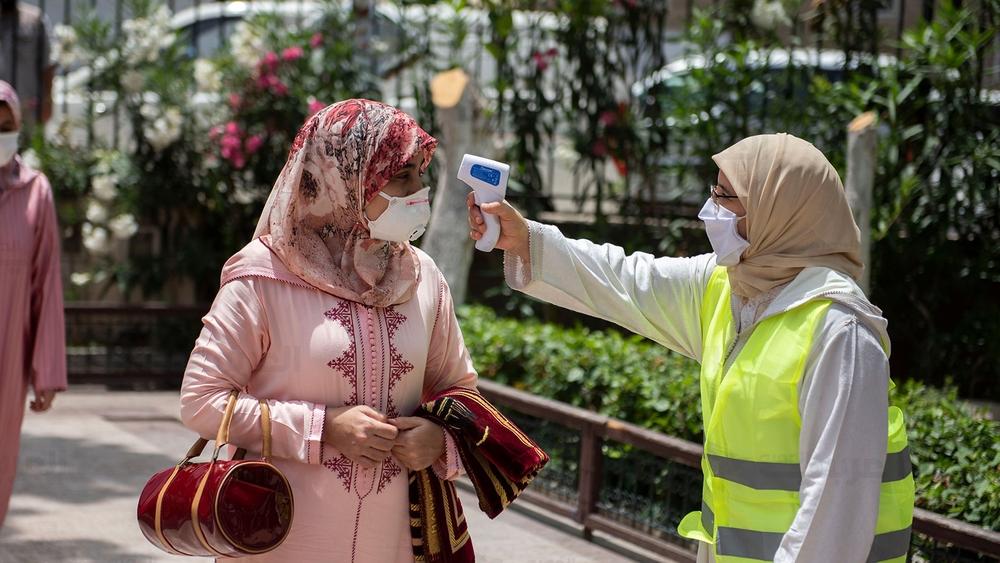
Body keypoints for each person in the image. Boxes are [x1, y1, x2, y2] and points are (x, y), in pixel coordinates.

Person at [468, 133, 915, 563]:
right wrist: (524, 238)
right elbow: (627, 280)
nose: (709, 210)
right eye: (713, 192)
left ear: (778, 210)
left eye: (726, 197)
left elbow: (835, 508)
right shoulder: (732, 284)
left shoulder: (841, 329)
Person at [180, 99, 545, 562]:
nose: (420, 190)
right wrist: (324, 428)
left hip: (397, 539)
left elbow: (457, 389)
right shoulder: (261, 276)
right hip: (277, 534)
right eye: (401, 176)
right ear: (344, 180)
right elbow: (201, 401)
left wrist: (440, 440)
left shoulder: (422, 276)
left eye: (420, 173)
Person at [0, 80, 66, 529]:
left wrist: (46, 371)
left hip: (8, 361)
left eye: (5, 125)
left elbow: (47, 284)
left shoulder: (35, 192)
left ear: (19, 127)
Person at [0, 0, 55, 137]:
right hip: (1, 109)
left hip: (27, 106)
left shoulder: (34, 19)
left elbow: (47, 65)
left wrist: (47, 100)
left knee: (30, 152)